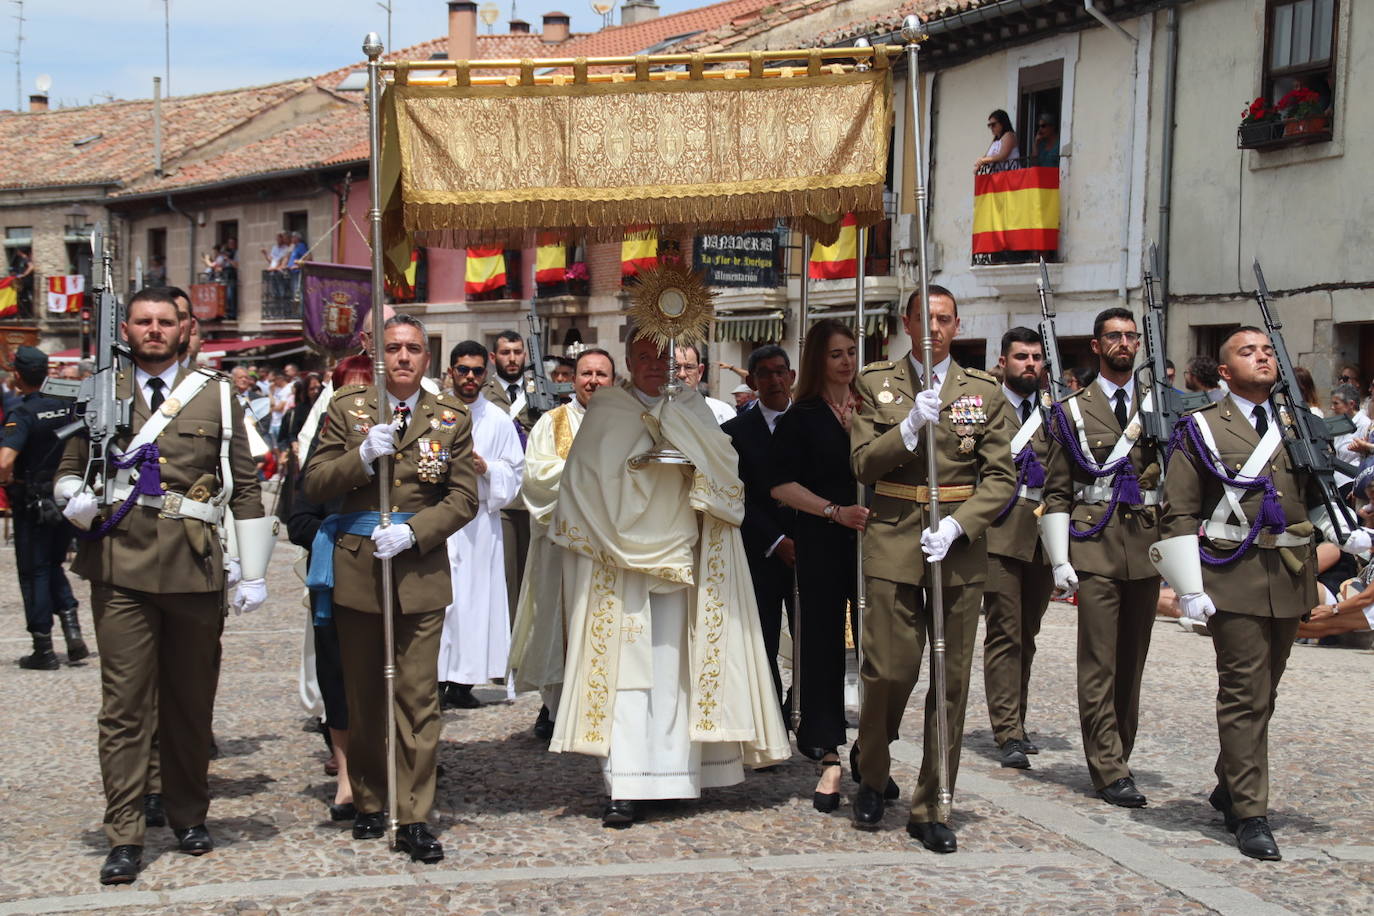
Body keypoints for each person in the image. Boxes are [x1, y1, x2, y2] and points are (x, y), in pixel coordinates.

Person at [55, 288, 270, 885]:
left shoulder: (219, 396)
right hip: (119, 565)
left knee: (190, 702)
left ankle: (187, 814)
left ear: (184, 328)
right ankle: (123, 832)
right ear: (126, 327)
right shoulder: (100, 390)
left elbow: (246, 487)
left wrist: (252, 571)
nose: (154, 331)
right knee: (123, 708)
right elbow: (70, 466)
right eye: (143, 322)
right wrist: (69, 498)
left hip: (193, 566)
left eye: (165, 322)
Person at [548, 336, 789, 828]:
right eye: (644, 359)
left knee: (675, 668)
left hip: (684, 557)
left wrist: (694, 469)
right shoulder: (608, 412)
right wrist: (635, 473)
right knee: (624, 673)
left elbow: (726, 473)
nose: (656, 368)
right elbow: (581, 482)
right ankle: (625, 785)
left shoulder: (694, 410)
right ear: (629, 364)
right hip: (621, 559)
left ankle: (677, 776)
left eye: (664, 358)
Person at [1155, 326, 1373, 861]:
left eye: (1268, 350)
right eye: (1247, 352)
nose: (1262, 358)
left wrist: (1346, 532)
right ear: (1225, 372)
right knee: (1243, 693)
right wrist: (1187, 587)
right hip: (1232, 574)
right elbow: (1179, 510)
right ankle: (1250, 812)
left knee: (1265, 692)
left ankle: (1229, 782)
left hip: (1289, 574)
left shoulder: (1296, 422)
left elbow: (1316, 493)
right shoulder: (1201, 427)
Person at [303, 314, 478, 864]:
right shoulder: (347, 410)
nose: (403, 357)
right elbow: (315, 482)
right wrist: (360, 457)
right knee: (364, 693)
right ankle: (371, 800)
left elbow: (464, 496)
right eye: (394, 348)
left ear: (427, 359)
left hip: (419, 570)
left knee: (418, 698)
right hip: (359, 569)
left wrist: (414, 531)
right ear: (378, 355)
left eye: (414, 349)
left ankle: (414, 814)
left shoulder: (451, 417)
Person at [848, 285, 1016, 852]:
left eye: (945, 320)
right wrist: (908, 429)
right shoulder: (877, 384)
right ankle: (871, 773)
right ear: (907, 321)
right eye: (926, 319)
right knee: (889, 672)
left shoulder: (984, 391)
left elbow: (1001, 478)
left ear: (957, 324)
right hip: (894, 537)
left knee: (950, 682)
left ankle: (932, 803)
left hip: (956, 546)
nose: (935, 329)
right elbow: (863, 462)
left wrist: (959, 525)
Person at [1041, 307, 1163, 810]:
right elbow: (1056, 490)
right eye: (1114, 337)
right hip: (1094, 543)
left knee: (1132, 663)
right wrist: (1059, 557)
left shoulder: (1159, 407)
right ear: (1096, 346)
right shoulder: (1071, 410)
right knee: (1099, 662)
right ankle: (1107, 765)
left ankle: (1121, 752)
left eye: (1131, 337)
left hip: (1146, 545)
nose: (1124, 344)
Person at [765, 324, 869, 810]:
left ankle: (873, 750)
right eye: (835, 355)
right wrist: (832, 511)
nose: (846, 362)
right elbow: (780, 486)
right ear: (817, 362)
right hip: (824, 542)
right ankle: (829, 754)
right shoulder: (800, 418)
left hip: (872, 546)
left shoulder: (872, 410)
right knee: (823, 648)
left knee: (880, 650)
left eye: (851, 353)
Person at [508, 347, 617, 739]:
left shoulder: (628, 423)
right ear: (573, 381)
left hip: (612, 551)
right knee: (559, 626)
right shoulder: (552, 424)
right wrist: (590, 475)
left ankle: (604, 707)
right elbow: (536, 479)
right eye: (586, 374)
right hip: (562, 549)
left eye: (601, 375)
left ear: (613, 380)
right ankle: (555, 710)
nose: (593, 381)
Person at [437, 340, 525, 710]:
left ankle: (462, 681)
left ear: (484, 374)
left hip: (477, 525)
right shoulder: (433, 413)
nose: (470, 377)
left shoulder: (498, 420)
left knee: (473, 603)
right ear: (451, 371)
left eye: (476, 371)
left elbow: (517, 473)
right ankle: (433, 677)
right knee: (442, 603)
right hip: (438, 520)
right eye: (463, 370)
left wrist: (486, 468)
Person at [983, 328, 1054, 770]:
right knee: (1005, 631)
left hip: (1043, 534)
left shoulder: (1056, 412)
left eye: (1036, 358)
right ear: (1003, 361)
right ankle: (1006, 729)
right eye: (1021, 357)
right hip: (1000, 530)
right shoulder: (984, 407)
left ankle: (1019, 721)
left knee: (1027, 633)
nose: (1030, 364)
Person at [721, 345, 795, 722]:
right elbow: (733, 493)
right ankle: (768, 720)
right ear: (751, 381)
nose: (774, 380)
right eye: (764, 373)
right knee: (761, 642)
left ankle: (803, 709)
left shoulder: (813, 422)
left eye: (780, 371)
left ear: (792, 376)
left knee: (814, 641)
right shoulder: (732, 433)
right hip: (759, 552)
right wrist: (775, 540)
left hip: (809, 550)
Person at [0, 346, 85, 669]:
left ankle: (44, 648)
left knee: (33, 572)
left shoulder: (22, 413)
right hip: (65, 497)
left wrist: (6, 481)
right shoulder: (68, 407)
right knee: (53, 565)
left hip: (33, 501)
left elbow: (5, 461)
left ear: (18, 375)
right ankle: (73, 632)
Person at [481, 330, 537, 628]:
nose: (512, 358)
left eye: (517, 351)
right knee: (503, 574)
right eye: (505, 352)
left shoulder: (540, 389)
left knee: (533, 573)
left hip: (534, 495)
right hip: (499, 497)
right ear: (494, 357)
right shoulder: (483, 392)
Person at [674, 344, 736, 424]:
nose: (682, 374)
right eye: (675, 367)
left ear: (700, 372)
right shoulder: (655, 413)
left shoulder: (723, 412)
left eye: (689, 367)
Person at [1331, 383, 1373, 496]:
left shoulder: (1365, 425)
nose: (1332, 407)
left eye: (1336, 403)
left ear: (1351, 404)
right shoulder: (1341, 424)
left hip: (1353, 484)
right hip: (1337, 483)